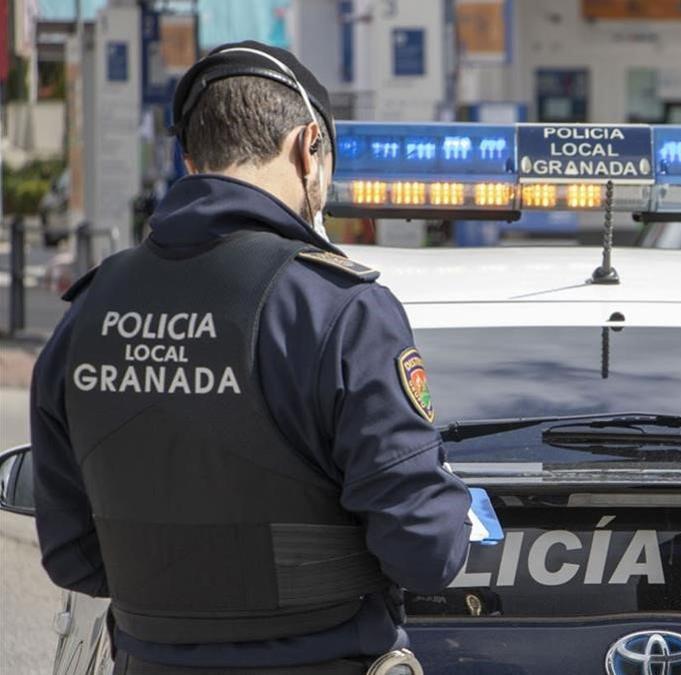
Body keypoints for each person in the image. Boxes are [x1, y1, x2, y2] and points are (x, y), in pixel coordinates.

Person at [30, 42, 472, 674]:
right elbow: (425, 551)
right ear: (307, 148)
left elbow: (74, 557)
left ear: (189, 161)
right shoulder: (340, 310)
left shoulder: (88, 312)